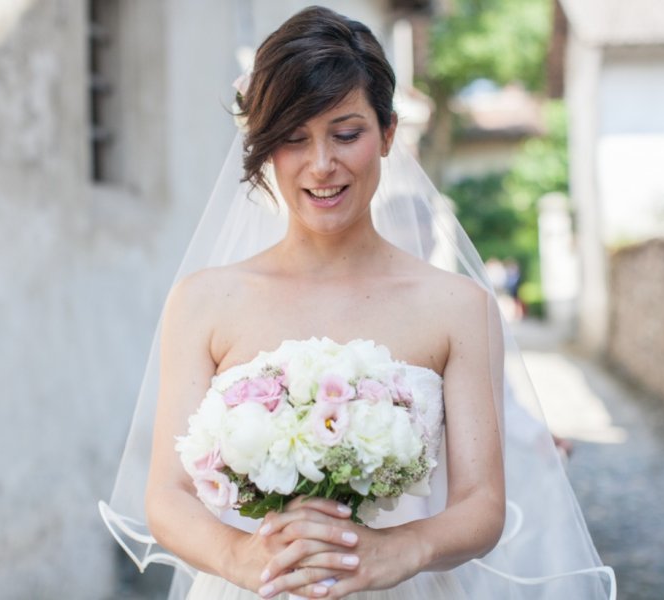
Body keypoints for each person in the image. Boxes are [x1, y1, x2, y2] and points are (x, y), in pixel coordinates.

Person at [99, 6, 615, 600]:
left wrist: (402, 549)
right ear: (263, 146)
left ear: (388, 133)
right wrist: (239, 557)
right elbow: (167, 494)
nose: (322, 165)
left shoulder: (459, 307)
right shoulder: (204, 301)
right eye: (294, 139)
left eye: (346, 134)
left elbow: (482, 504)